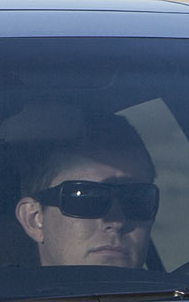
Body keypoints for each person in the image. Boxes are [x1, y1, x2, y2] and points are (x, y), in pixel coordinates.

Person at [12, 114, 159, 269]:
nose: (117, 221)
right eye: (87, 200)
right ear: (34, 219)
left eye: (136, 200)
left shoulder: (180, 291)